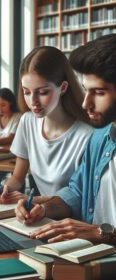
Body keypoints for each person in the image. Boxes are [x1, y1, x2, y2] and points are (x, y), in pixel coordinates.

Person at [15, 34, 116, 245]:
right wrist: (44, 208)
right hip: (91, 255)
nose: (86, 103)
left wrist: (100, 233)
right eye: (87, 90)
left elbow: (98, 231)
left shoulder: (88, 133)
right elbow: (76, 192)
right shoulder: (100, 137)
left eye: (98, 92)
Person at [0, 46, 93, 204]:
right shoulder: (27, 121)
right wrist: (4, 188)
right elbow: (18, 178)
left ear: (63, 88)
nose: (33, 102)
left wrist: (34, 201)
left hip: (73, 222)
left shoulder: (86, 135)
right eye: (26, 92)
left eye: (43, 92)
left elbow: (83, 199)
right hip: (41, 216)